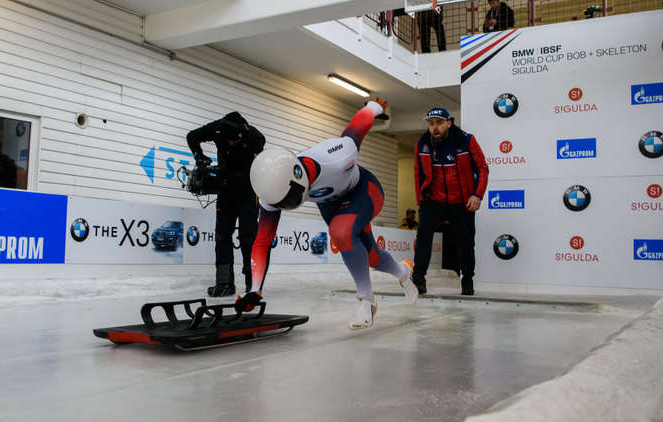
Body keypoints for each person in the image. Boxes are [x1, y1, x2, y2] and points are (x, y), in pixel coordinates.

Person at [239, 98, 419, 330]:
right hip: (332, 203)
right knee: (371, 256)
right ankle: (404, 272)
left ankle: (366, 300)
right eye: (280, 204)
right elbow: (262, 241)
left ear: (298, 178)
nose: (286, 206)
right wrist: (255, 290)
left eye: (289, 202)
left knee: (340, 232)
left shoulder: (336, 155)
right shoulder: (270, 193)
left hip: (363, 189)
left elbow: (355, 130)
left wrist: (372, 108)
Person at [186, 112, 265, 297]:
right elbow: (192, 137)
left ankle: (252, 282)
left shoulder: (255, 138)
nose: (231, 143)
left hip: (248, 189)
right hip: (226, 188)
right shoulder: (216, 128)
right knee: (222, 235)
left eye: (235, 141)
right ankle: (224, 282)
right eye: (228, 140)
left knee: (248, 235)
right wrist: (199, 156)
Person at [412, 109, 488, 296]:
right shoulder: (422, 143)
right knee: (423, 239)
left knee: (466, 243)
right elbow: (417, 173)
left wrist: (477, 195)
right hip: (433, 200)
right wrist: (420, 200)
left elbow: (482, 168)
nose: (434, 127)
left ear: (449, 123)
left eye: (439, 123)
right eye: (431, 123)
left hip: (461, 201)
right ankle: (418, 279)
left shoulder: (466, 140)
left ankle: (467, 280)